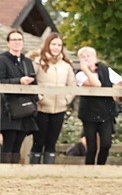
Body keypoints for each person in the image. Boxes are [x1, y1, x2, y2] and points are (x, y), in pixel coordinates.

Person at [75, 46, 122, 165]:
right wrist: (86, 69)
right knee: (91, 146)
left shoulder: (105, 70)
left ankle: (101, 167)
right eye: (83, 57)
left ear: (95, 57)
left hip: (106, 112)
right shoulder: (80, 74)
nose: (87, 58)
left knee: (106, 144)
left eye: (89, 56)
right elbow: (96, 84)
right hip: (89, 113)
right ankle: (89, 169)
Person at [31, 32, 75, 163]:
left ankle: (48, 170)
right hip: (42, 108)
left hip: (59, 108)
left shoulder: (66, 65)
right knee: (38, 141)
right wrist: (39, 98)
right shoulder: (38, 62)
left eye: (59, 45)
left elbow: (72, 85)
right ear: (47, 45)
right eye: (53, 44)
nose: (56, 47)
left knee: (51, 142)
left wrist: (67, 99)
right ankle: (34, 169)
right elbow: (32, 82)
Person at [0, 29, 38, 163]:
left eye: (19, 40)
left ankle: (15, 172)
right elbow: (1, 81)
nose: (17, 42)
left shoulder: (27, 61)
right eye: (14, 40)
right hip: (8, 108)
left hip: (25, 107)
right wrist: (19, 81)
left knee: (19, 142)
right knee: (9, 142)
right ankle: (5, 171)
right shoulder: (2, 60)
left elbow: (35, 81)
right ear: (8, 43)